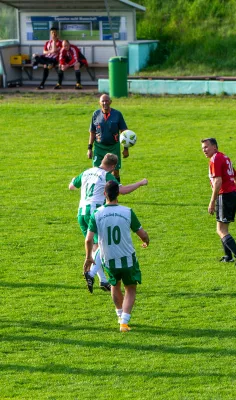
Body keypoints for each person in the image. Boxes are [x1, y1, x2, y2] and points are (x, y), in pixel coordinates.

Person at [69, 153, 148, 293]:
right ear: (112, 167)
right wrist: (140, 183)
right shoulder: (107, 176)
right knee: (103, 244)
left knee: (95, 246)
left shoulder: (87, 171)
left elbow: (71, 186)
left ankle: (102, 280)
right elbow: (122, 191)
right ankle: (92, 273)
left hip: (81, 212)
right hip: (94, 212)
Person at [84, 180, 150, 332]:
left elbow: (88, 239)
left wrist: (89, 256)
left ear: (104, 194)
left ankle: (120, 315)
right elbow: (142, 233)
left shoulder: (97, 214)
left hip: (109, 259)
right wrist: (146, 240)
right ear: (118, 193)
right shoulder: (127, 211)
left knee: (115, 285)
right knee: (131, 288)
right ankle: (124, 322)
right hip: (127, 258)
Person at [201, 138, 236, 266]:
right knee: (222, 228)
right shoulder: (224, 157)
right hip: (231, 194)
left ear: (214, 147)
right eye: (203, 148)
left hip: (224, 195)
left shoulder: (215, 159)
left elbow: (218, 182)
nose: (204, 150)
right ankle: (228, 256)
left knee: (221, 230)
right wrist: (232, 189)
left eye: (206, 147)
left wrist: (212, 201)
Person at [89, 94, 129, 182]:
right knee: (96, 170)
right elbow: (92, 132)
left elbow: (124, 132)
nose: (105, 103)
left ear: (110, 102)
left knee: (115, 171)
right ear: (99, 103)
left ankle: (116, 191)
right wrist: (89, 148)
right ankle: (98, 192)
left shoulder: (117, 114)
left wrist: (126, 149)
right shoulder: (96, 114)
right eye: (102, 101)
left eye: (107, 100)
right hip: (99, 147)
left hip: (113, 147)